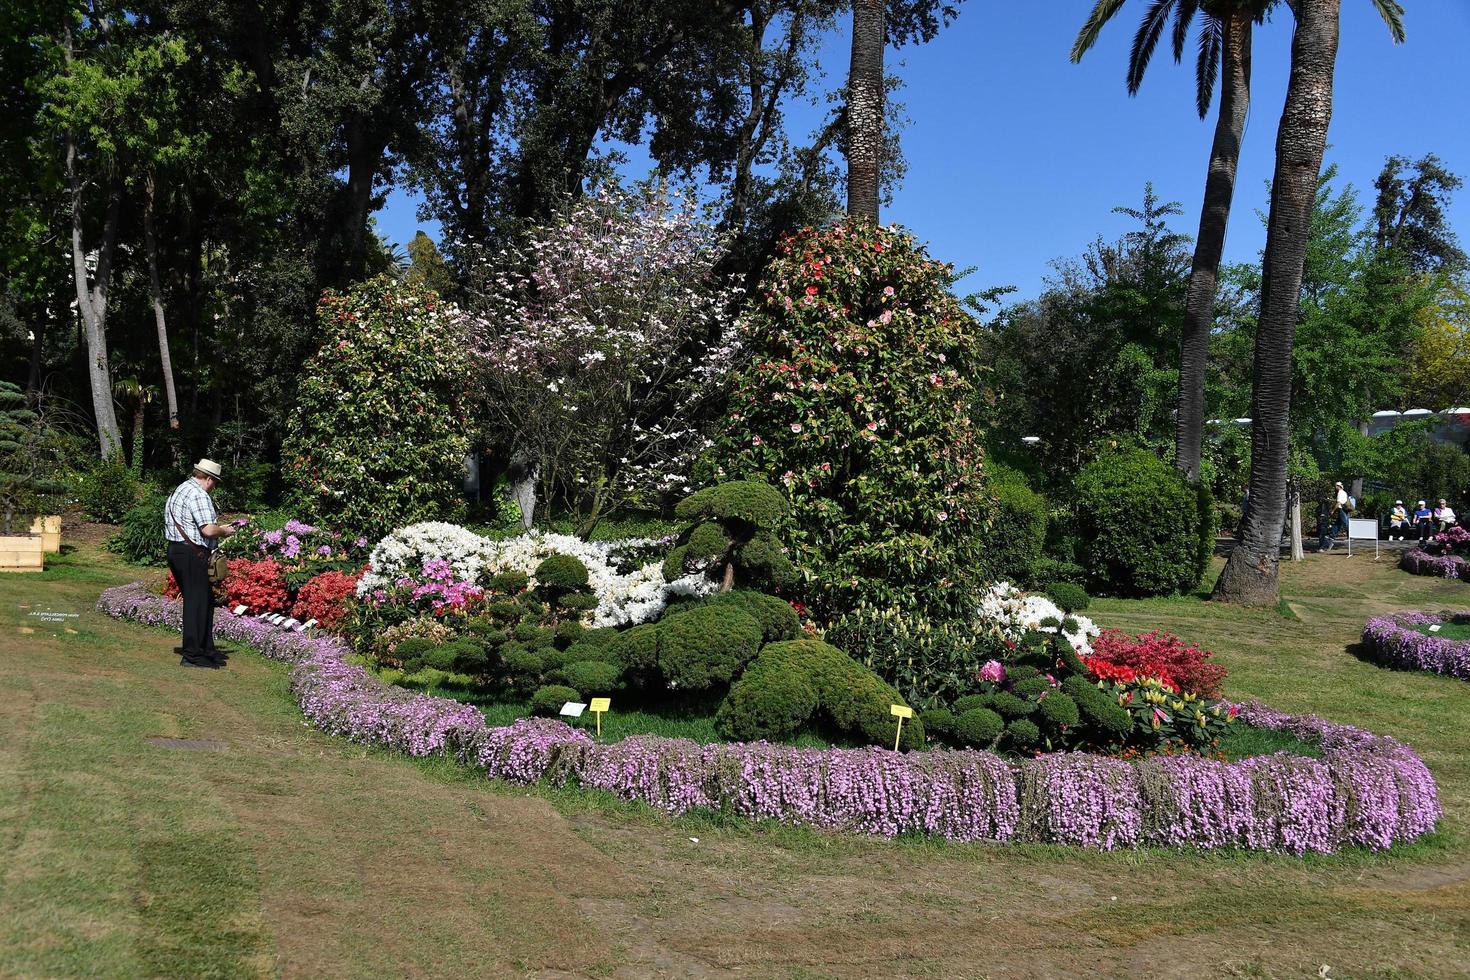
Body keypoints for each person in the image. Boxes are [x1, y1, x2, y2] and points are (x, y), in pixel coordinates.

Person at [164, 459, 236, 668]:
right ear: (209, 479)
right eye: (216, 482)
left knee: (201, 602)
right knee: (197, 604)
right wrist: (225, 530)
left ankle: (204, 649)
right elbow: (208, 530)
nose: (215, 487)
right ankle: (193, 655)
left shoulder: (181, 489)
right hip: (191, 554)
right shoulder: (199, 495)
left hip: (178, 551)